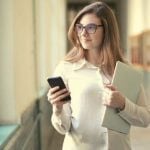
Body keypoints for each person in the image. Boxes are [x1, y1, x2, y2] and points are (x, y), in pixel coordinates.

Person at [47, 1, 150, 150]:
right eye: (80, 27)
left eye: (91, 27)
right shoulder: (66, 68)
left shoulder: (126, 71)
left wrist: (123, 104)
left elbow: (145, 118)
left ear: (107, 30)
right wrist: (57, 109)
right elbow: (63, 128)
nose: (83, 33)